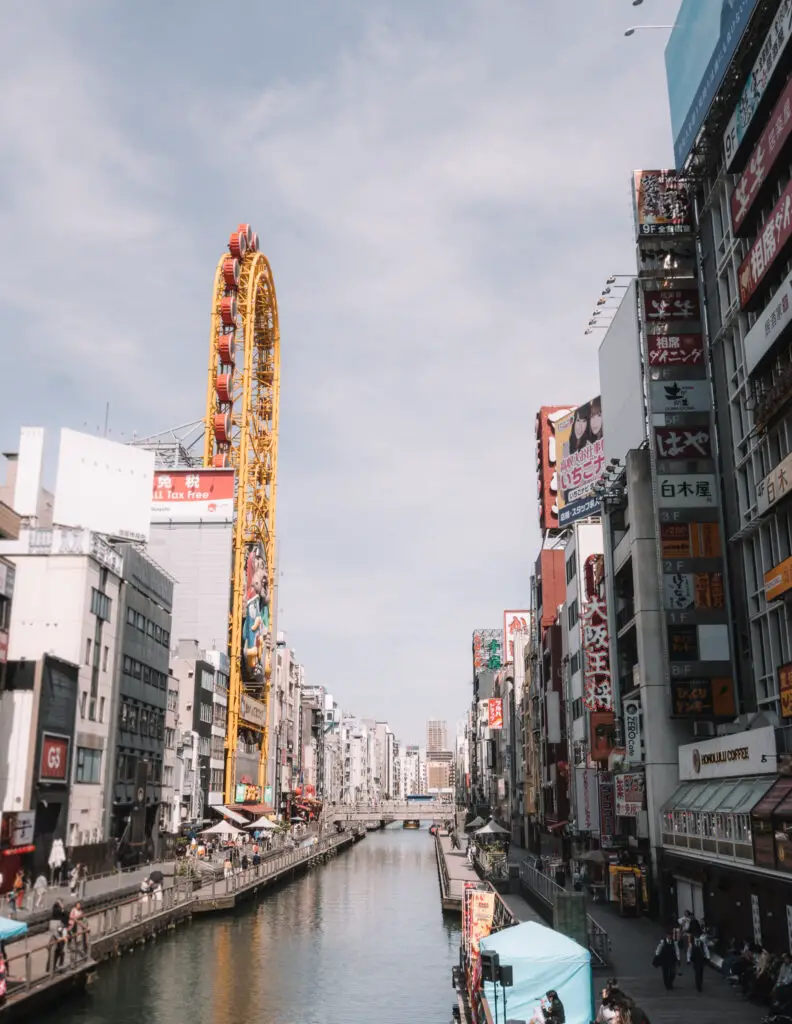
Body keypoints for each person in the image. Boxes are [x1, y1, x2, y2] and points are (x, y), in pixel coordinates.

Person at [687, 923, 710, 992]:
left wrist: (708, 957)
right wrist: (688, 959)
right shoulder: (692, 942)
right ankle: (698, 984)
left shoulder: (702, 942)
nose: (697, 936)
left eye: (698, 935)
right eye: (696, 936)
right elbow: (689, 950)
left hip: (701, 958)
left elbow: (706, 949)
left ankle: (700, 983)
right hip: (695, 958)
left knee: (701, 971)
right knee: (697, 971)